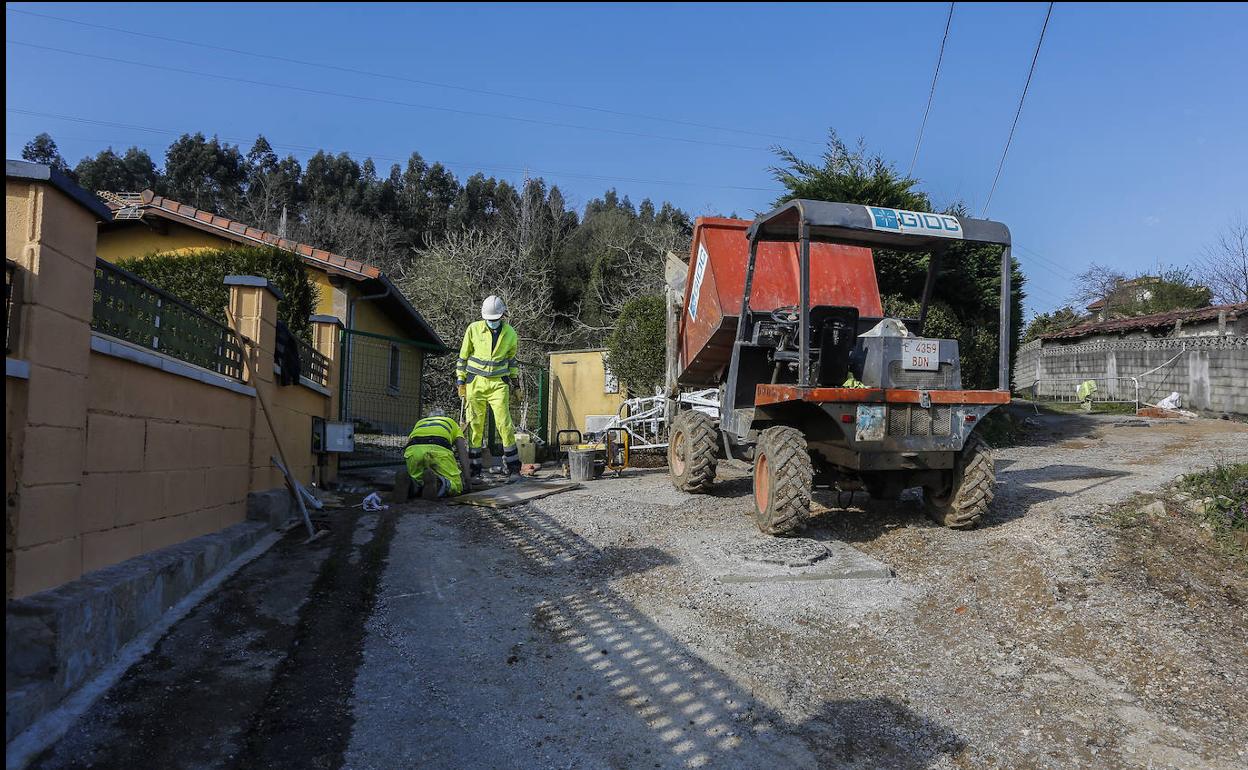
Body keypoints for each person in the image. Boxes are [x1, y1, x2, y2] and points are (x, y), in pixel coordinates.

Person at [456, 295, 523, 478]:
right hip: (475, 383)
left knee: (504, 424)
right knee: (475, 426)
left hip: (498, 384)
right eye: (489, 320)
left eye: (495, 319)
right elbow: (463, 357)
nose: (492, 322)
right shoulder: (473, 329)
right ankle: (474, 469)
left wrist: (516, 384)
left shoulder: (510, 333)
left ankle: (513, 467)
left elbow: (512, 361)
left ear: (502, 316)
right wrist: (460, 381)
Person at [393, 411, 472, 502]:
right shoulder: (451, 422)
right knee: (456, 485)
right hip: (438, 448)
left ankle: (410, 484)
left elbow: (409, 443)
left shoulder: (420, 423)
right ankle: (439, 484)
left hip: (413, 450)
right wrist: (468, 479)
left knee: (418, 479)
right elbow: (462, 452)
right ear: (443, 416)